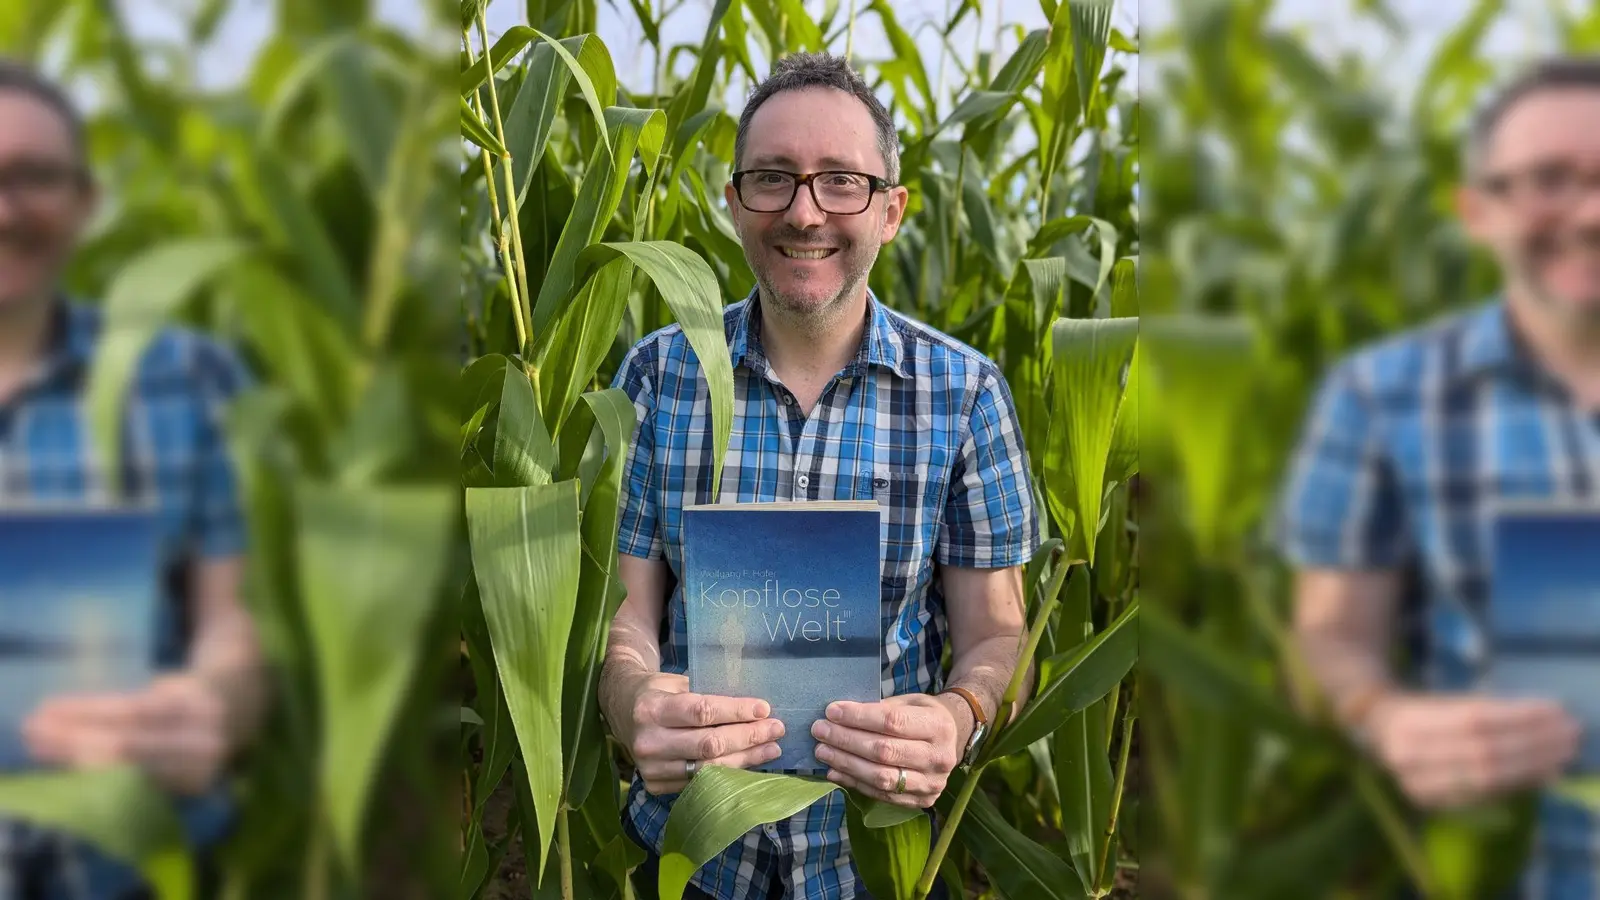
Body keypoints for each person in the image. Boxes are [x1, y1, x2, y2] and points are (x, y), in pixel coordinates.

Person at [597, 52, 1040, 899]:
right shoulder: (657, 379)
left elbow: (998, 638)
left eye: (841, 181)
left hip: (882, 863)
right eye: (772, 179)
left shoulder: (964, 395)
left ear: (893, 210)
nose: (804, 212)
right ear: (733, 203)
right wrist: (629, 704)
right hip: (694, 855)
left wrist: (962, 716)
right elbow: (627, 616)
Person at [1278, 55, 1600, 897]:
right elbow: (1325, 643)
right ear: (1477, 210)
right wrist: (1384, 718)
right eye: (1549, 180)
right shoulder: (1385, 396)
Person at [0, 59, 266, 899]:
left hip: (130, 866)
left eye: (33, 177)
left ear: (85, 201)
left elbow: (238, 625)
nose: (5, 210)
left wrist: (214, 706)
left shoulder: (185, 379)